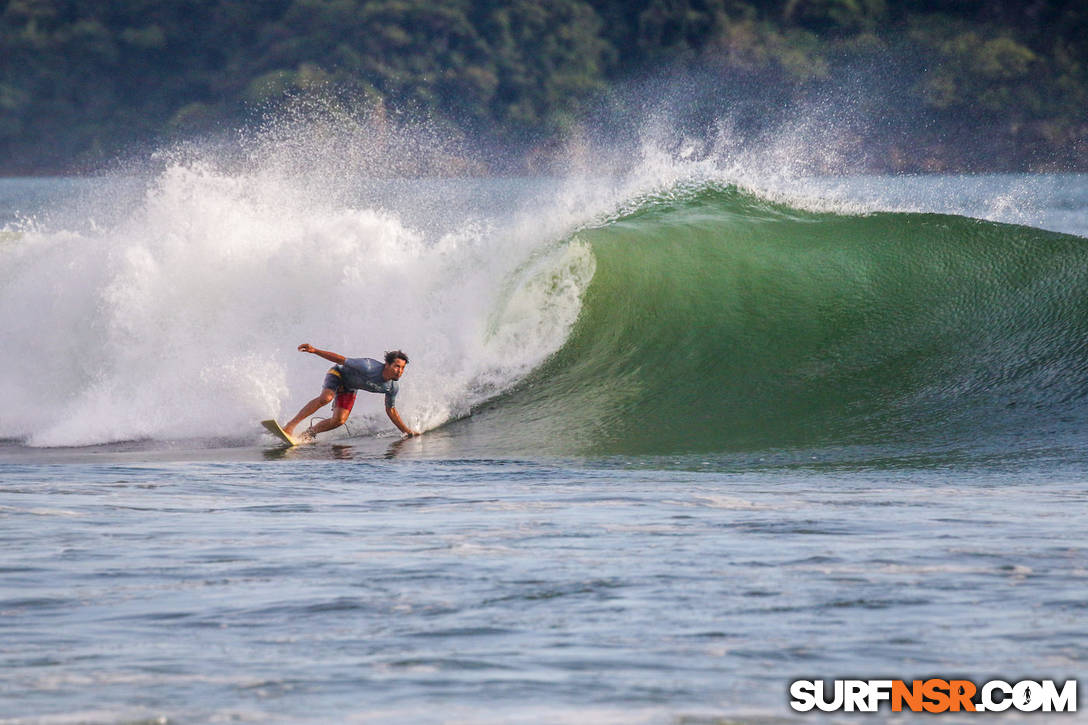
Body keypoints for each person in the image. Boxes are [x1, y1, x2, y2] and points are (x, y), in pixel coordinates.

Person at [282, 343, 421, 441]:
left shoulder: (392, 387)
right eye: (397, 366)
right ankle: (290, 426)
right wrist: (315, 350)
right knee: (326, 398)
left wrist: (406, 431)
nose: (400, 371)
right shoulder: (368, 367)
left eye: (403, 368)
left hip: (349, 387)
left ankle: (308, 434)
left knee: (339, 420)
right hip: (338, 374)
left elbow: (391, 410)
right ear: (387, 364)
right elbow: (341, 360)